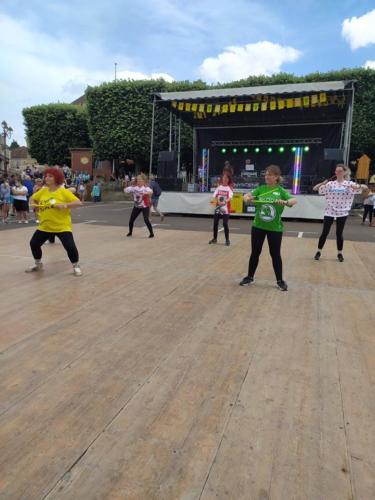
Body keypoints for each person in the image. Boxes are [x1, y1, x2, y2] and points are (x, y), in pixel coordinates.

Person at [239, 164, 297, 291]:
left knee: (275, 254)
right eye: (266, 174)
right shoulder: (261, 189)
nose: (267, 177)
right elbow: (246, 196)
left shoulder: (281, 191)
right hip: (258, 226)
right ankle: (249, 277)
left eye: (270, 175)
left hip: (275, 229)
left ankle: (280, 281)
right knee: (255, 252)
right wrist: (247, 198)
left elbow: (294, 200)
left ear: (276, 177)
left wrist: (286, 202)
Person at [26, 167, 83, 276]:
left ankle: (76, 266)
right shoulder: (43, 190)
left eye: (50, 176)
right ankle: (38, 264)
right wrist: (34, 205)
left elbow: (78, 203)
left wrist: (64, 205)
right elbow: (32, 198)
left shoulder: (62, 191)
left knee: (70, 246)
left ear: (57, 178)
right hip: (45, 226)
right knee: (34, 244)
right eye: (46, 176)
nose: (47, 178)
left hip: (62, 226)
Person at [313, 164, 367, 262]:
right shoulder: (330, 184)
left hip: (343, 212)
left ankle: (339, 253)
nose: (338, 173)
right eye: (336, 171)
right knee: (325, 232)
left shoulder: (349, 184)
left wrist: (357, 185)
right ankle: (318, 251)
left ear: (344, 172)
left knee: (339, 233)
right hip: (329, 211)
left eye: (340, 171)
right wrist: (322, 183)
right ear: (335, 173)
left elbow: (365, 187)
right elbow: (315, 189)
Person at [208, 173, 233, 246]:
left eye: (226, 178)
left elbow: (230, 197)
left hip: (226, 209)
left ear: (228, 180)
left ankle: (227, 240)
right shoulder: (219, 187)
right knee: (215, 223)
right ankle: (215, 239)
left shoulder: (229, 188)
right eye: (224, 178)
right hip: (218, 208)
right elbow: (214, 196)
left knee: (225, 224)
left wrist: (225, 201)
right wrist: (217, 201)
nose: (225, 179)